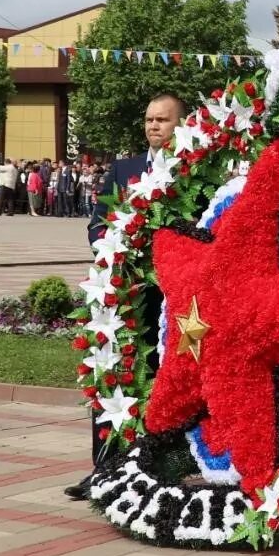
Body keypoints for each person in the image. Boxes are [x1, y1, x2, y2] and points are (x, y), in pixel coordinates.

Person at [65, 92, 186, 502]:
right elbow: (98, 225)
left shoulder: (195, 171)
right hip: (124, 295)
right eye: (150, 119)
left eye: (163, 120)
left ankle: (155, 469)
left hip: (172, 301)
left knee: (166, 383)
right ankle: (104, 470)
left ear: (180, 125)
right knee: (111, 377)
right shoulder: (125, 169)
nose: (154, 126)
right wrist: (116, 251)